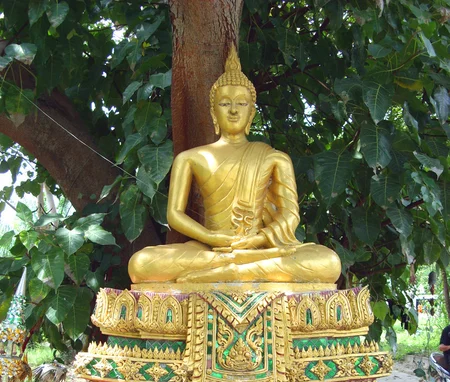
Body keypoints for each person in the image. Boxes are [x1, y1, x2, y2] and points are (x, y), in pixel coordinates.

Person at [128, 46, 341, 285]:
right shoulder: (190, 158)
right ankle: (241, 268)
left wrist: (258, 240)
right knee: (140, 263)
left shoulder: (274, 158)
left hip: (258, 248)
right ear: (213, 111)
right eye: (224, 104)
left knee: (329, 262)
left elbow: (290, 215)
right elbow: (174, 215)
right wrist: (211, 237)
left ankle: (235, 270)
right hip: (210, 250)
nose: (233, 110)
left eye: (241, 104)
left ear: (252, 112)